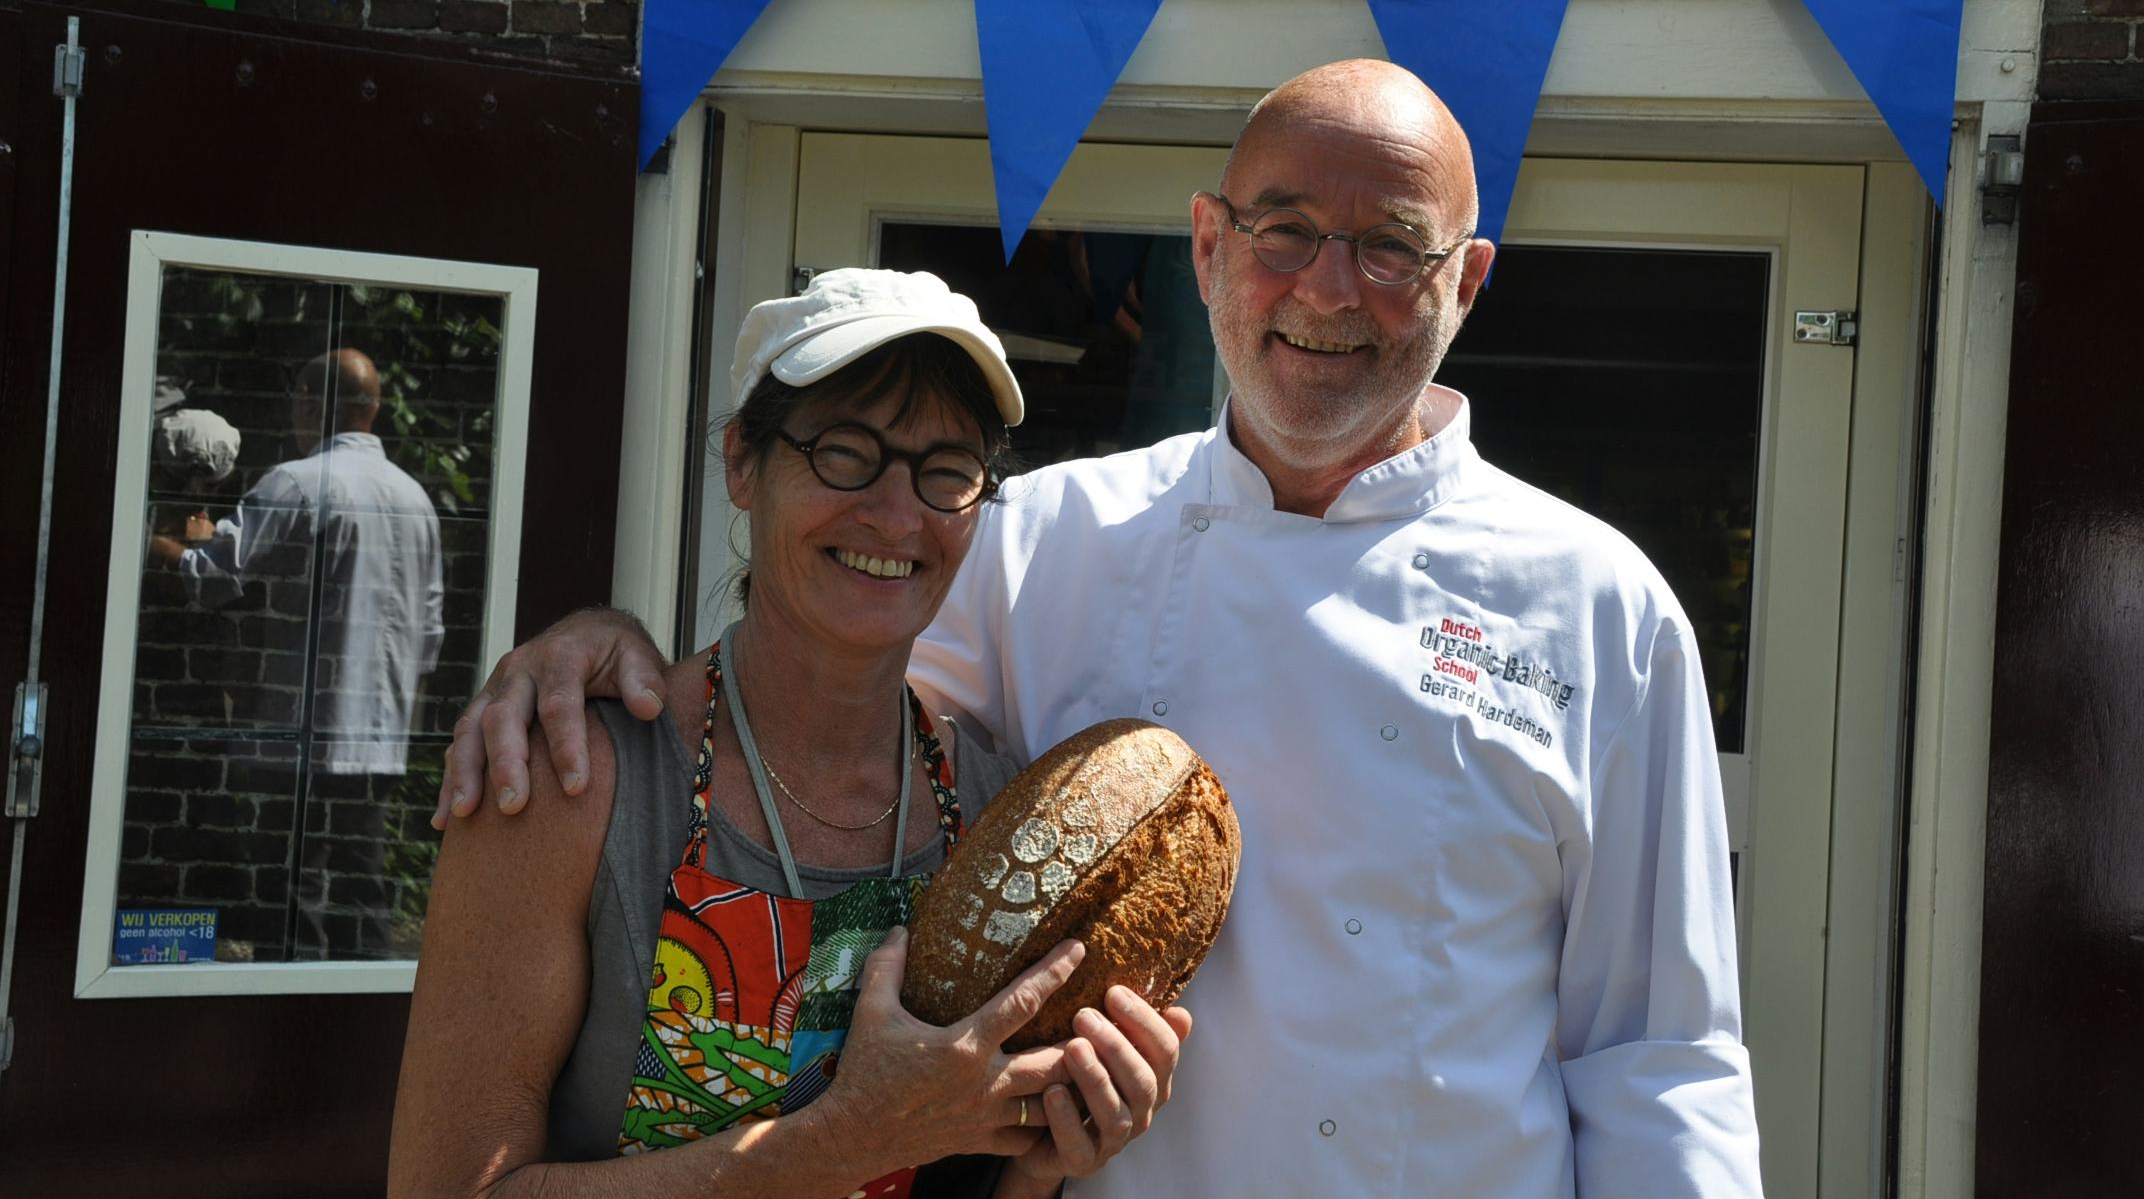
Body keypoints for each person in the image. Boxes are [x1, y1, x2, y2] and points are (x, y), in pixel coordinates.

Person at [439, 61, 1763, 1195]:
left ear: (1465, 280)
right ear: (1206, 248)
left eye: (1392, 247)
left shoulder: (1599, 605)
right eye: (1285, 230)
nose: (1328, 288)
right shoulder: (1043, 538)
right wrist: (603, 650)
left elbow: (1659, 1052)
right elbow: (806, 700)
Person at [389, 270, 1188, 1198]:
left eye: (946, 470)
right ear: (741, 462)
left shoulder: (996, 814)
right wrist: (838, 1144)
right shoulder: (573, 779)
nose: (896, 514)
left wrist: (1039, 1168)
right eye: (846, 453)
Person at [150, 347, 444, 958]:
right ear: (376, 407)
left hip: (301, 736)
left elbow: (210, 578)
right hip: (380, 739)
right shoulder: (418, 501)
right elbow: (432, 635)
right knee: (364, 892)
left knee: (290, 895)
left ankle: (283, 1028)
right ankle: (361, 1031)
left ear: (309, 403)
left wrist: (158, 540)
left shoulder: (297, 483)